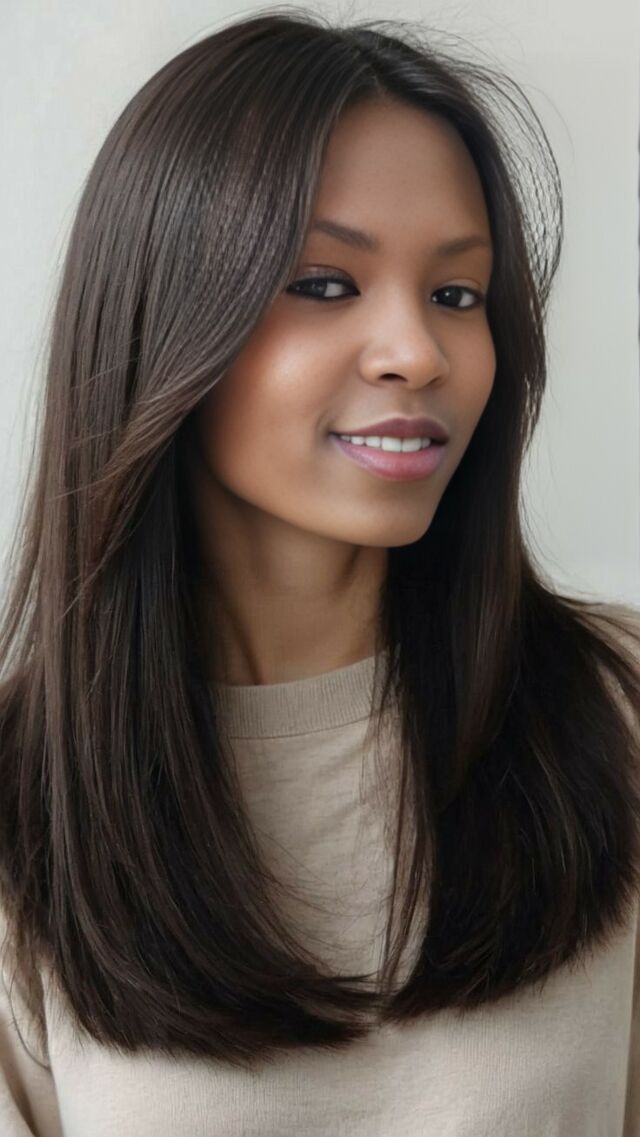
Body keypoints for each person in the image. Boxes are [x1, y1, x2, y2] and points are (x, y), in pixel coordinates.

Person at [1, 7, 639, 1135]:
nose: (418, 352)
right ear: (162, 321)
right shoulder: (24, 804)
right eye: (325, 282)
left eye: (457, 295)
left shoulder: (618, 709)